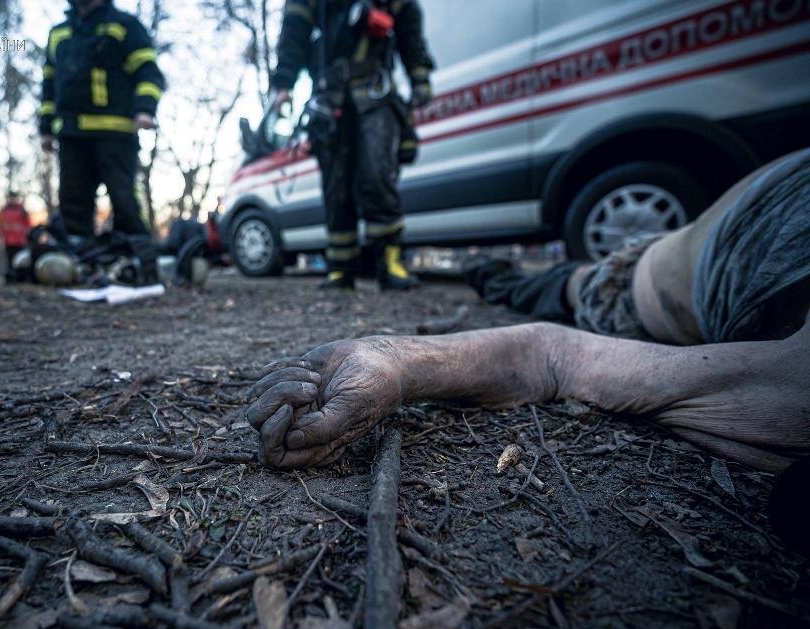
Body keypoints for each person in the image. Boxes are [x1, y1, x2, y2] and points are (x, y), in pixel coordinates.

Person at [245, 150, 810, 546]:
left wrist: (394, 362)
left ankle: (500, 273)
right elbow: (551, 353)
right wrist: (393, 358)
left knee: (553, 286)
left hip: (690, 261)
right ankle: (493, 272)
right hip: (641, 266)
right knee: (550, 286)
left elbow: (551, 355)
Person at [270, 0, 434, 291]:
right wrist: (283, 83)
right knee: (336, 185)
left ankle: (389, 261)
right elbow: (294, 32)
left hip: (374, 90)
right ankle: (340, 267)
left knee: (376, 175)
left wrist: (419, 74)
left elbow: (409, 28)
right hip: (330, 94)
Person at [39, 0, 166, 284]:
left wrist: (145, 107)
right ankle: (77, 263)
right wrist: (46, 128)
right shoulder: (59, 33)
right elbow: (49, 83)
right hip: (71, 134)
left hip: (116, 132)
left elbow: (148, 71)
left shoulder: (125, 26)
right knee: (73, 200)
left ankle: (138, 258)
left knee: (124, 198)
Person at [0, 194, 32, 281]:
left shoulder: (22, 211)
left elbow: (27, 225)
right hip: (8, 241)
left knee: (20, 260)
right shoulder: (3, 211)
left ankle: (20, 277)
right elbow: (0, 225)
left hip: (20, 241)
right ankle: (11, 276)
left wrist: (26, 236)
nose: (12, 200)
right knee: (10, 260)